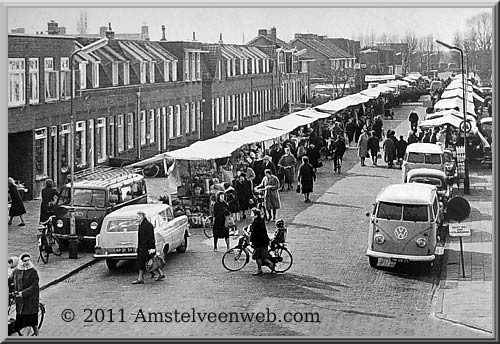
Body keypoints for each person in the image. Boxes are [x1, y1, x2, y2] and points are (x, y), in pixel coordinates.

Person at [132, 211, 164, 284]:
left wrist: (152, 248)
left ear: (142, 216)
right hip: (142, 247)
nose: (136, 218)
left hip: (147, 248)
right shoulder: (141, 225)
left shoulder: (148, 225)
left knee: (149, 262)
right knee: (146, 262)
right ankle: (160, 274)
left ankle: (140, 278)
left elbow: (151, 238)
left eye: (137, 216)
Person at [11, 253, 40, 336]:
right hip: (20, 302)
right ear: (21, 261)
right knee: (29, 322)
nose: (27, 262)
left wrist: (22, 293)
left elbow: (34, 286)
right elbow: (11, 280)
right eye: (24, 261)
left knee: (28, 324)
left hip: (31, 302)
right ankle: (37, 334)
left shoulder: (33, 271)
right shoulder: (16, 271)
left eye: (28, 260)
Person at [248, 208, 274, 276]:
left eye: (252, 213)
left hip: (260, 242)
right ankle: (262, 268)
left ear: (255, 215)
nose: (251, 215)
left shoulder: (257, 222)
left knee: (258, 256)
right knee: (260, 256)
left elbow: (254, 232)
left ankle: (265, 267)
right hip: (263, 241)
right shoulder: (259, 220)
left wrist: (250, 239)